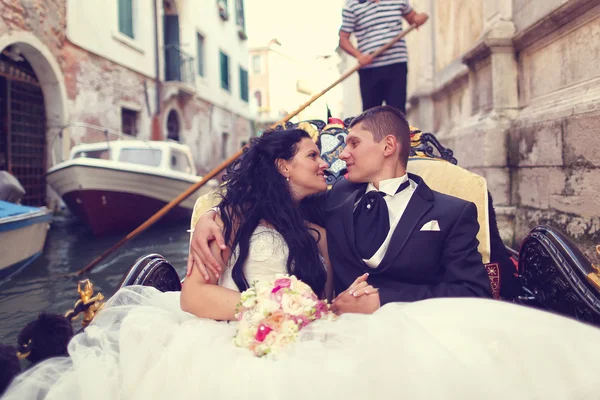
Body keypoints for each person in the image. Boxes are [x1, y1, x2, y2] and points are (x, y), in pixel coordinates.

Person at [4, 125, 600, 400]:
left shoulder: (320, 222)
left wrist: (324, 307)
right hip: (232, 333)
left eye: (336, 152)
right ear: (283, 166)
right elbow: (192, 297)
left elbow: (331, 288)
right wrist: (271, 306)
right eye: (316, 154)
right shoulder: (232, 213)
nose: (330, 163)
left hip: (307, 326)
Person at [190, 105, 493, 315]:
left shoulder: (452, 211)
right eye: (316, 155)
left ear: (388, 147)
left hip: (421, 333)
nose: (339, 156)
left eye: (353, 143)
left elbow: (475, 293)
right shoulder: (335, 199)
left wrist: (385, 300)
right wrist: (211, 213)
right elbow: (267, 202)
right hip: (339, 333)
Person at [339, 0, 428, 114]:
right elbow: (343, 39)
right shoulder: (352, 6)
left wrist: (422, 17)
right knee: (371, 115)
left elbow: (414, 19)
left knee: (397, 112)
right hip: (369, 69)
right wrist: (359, 56)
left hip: (397, 64)